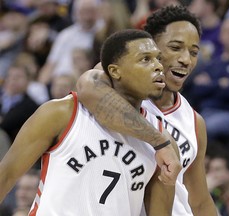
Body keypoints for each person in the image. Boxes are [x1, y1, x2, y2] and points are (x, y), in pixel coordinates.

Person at [0, 29, 181, 215]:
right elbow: (5, 177)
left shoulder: (163, 143)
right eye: (145, 59)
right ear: (115, 71)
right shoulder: (62, 113)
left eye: (158, 58)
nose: (159, 66)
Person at [77, 5, 217, 216]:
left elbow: (199, 201)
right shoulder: (119, 85)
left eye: (194, 52)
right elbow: (86, 87)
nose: (186, 59)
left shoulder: (194, 121)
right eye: (176, 47)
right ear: (150, 45)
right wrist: (159, 141)